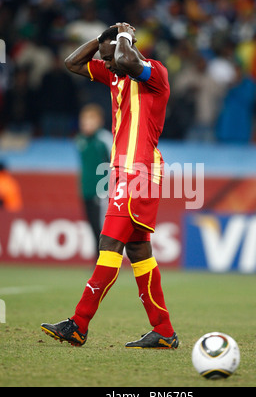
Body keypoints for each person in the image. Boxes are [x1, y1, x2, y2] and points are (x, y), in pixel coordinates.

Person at [41, 22, 178, 349]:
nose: (108, 64)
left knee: (109, 244)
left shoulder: (154, 73)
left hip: (139, 171)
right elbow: (71, 63)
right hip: (124, 172)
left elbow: (129, 60)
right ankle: (164, 330)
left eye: (112, 57)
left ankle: (79, 323)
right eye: (106, 59)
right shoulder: (115, 74)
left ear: (128, 49)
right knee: (138, 250)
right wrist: (101, 40)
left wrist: (124, 38)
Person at [75, 103, 112, 259]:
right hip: (86, 189)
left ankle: (107, 259)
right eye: (84, 121)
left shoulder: (104, 139)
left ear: (99, 121)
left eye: (90, 120)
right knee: (91, 225)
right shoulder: (80, 140)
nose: (86, 124)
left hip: (102, 189)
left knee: (102, 226)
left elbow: (116, 160)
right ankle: (98, 259)